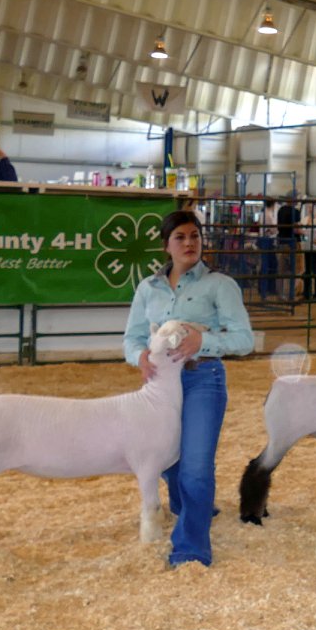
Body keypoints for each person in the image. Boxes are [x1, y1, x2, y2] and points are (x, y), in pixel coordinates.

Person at [121, 210, 254, 568]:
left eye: (195, 235)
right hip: (159, 384)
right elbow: (131, 339)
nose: (189, 243)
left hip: (202, 379)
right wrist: (141, 357)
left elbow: (244, 339)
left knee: (195, 466)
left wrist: (203, 341)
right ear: (166, 245)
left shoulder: (220, 285)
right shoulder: (148, 288)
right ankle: (189, 504)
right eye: (180, 237)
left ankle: (191, 548)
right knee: (167, 460)